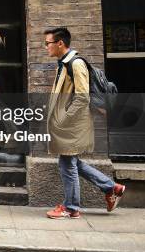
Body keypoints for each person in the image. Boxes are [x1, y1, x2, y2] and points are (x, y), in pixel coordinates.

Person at [44, 27, 125, 219]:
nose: (45, 47)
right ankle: (112, 187)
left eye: (48, 43)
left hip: (72, 125)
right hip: (67, 125)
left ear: (60, 43)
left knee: (68, 165)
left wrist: (62, 119)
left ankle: (71, 207)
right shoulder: (63, 64)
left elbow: (82, 97)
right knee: (71, 163)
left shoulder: (76, 63)